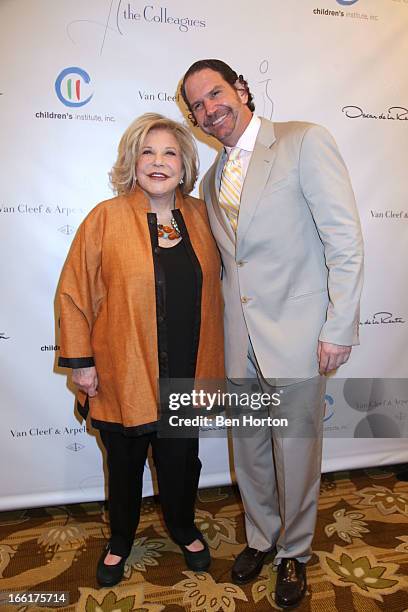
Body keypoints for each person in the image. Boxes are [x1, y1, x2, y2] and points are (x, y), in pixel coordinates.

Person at [181, 60, 363, 609]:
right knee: (253, 453)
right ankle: (262, 538)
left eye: (216, 93)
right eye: (197, 105)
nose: (210, 109)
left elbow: (344, 241)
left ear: (240, 89)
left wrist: (339, 325)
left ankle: (295, 553)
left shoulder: (304, 141)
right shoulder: (211, 180)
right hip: (241, 341)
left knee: (297, 451)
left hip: (301, 336)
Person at [57, 113, 224, 587]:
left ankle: (183, 526)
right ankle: (120, 541)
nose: (158, 162)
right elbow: (73, 294)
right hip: (122, 371)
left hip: (187, 375)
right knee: (125, 467)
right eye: (147, 152)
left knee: (181, 464)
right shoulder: (104, 219)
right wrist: (82, 363)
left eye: (169, 152)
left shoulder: (202, 218)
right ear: (132, 161)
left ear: (184, 163)